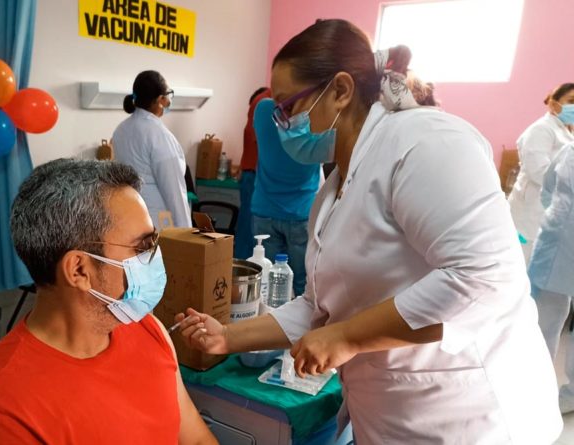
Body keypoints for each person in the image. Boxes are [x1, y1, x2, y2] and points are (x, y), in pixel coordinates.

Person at [174, 19, 561, 444]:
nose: (281, 122)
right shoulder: (336, 187)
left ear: (340, 90)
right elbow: (319, 306)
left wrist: (346, 337)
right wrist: (226, 337)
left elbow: (484, 278)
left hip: (466, 413)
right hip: (391, 412)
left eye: (287, 107)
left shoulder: (426, 142)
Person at [0, 159, 216, 444]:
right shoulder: (0, 413)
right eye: (143, 247)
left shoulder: (147, 329)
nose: (154, 256)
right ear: (79, 270)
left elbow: (196, 438)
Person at [252, 95, 321, 298]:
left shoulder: (263, 108)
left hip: (264, 210)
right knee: (303, 285)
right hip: (300, 212)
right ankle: (300, 329)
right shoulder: (312, 116)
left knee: (266, 286)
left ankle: (265, 326)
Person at [528, 141, 574, 413]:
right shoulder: (569, 150)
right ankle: (535, 388)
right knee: (545, 318)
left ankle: (564, 394)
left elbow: (548, 190)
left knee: (548, 317)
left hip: (558, 242)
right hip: (556, 242)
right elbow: (547, 189)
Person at [112, 70, 191, 229]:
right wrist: (186, 232)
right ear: (160, 99)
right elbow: (174, 191)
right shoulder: (158, 135)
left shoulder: (121, 129)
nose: (169, 100)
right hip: (157, 220)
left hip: (129, 216)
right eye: (168, 95)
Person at [508, 83, 574, 262]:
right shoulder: (541, 129)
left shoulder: (566, 130)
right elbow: (539, 172)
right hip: (531, 210)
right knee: (523, 259)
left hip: (555, 210)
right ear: (554, 104)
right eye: (571, 101)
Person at [235, 86, 270, 259]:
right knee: (251, 233)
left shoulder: (264, 101)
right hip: (256, 176)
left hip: (254, 174)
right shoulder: (264, 103)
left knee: (251, 231)